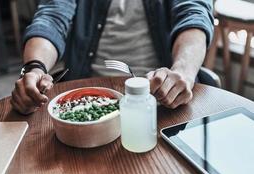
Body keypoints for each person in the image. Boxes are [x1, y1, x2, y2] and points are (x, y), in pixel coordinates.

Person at [11, 0, 214, 115]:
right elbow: (52, 17)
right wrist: (36, 68)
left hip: (162, 101)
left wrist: (183, 71)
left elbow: (193, 14)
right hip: (87, 98)